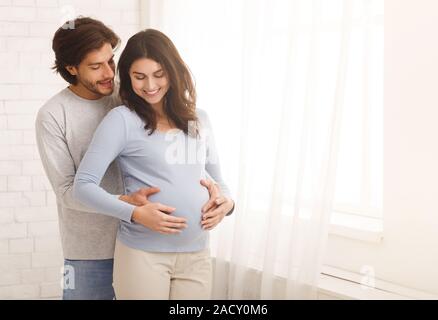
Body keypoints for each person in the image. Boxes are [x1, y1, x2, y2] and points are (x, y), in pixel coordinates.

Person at [35, 17, 227, 300]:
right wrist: (130, 208)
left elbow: (175, 158)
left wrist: (219, 197)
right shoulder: (54, 115)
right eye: (96, 66)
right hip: (93, 247)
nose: (108, 73)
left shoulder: (132, 96)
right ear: (71, 68)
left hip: (158, 240)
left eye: (111, 62)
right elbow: (67, 190)